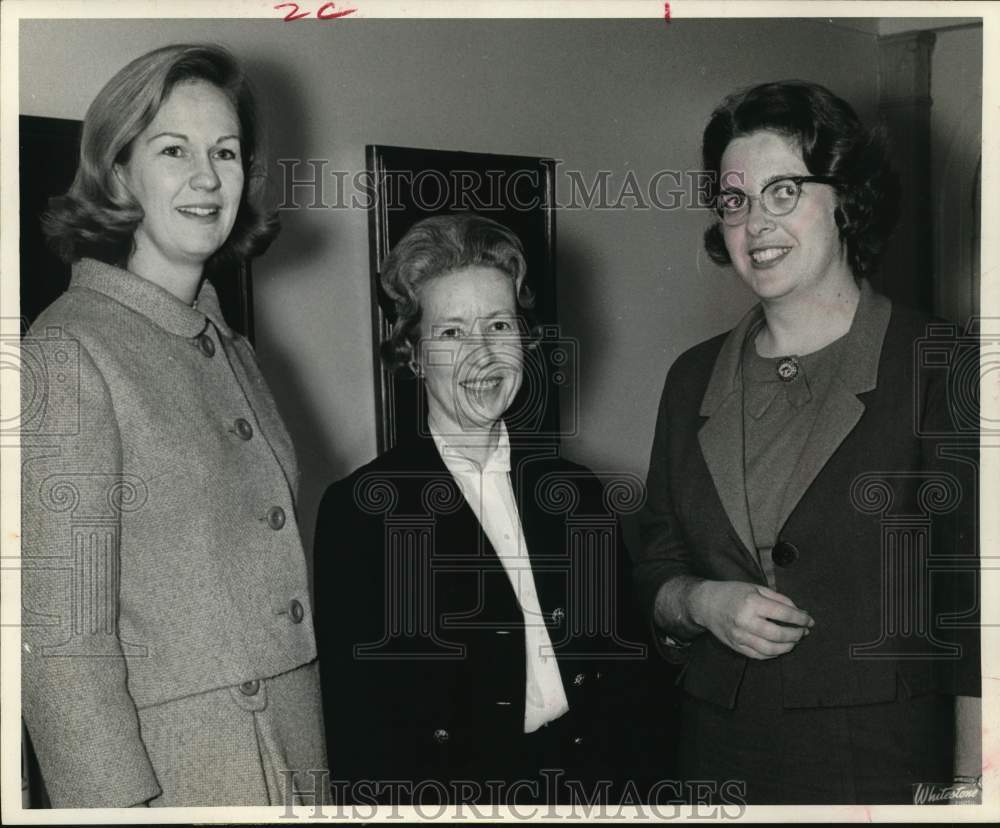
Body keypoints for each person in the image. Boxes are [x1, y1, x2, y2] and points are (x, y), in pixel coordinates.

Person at [634, 80, 980, 804]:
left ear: (845, 197)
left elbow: (976, 609)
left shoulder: (942, 366)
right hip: (716, 756)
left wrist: (972, 787)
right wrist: (698, 601)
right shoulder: (690, 378)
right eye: (735, 200)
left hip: (883, 765)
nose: (756, 222)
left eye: (783, 191)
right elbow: (656, 561)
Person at [20, 44, 327, 807]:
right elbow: (62, 644)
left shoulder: (231, 349)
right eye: (173, 151)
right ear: (119, 172)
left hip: (291, 756)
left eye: (224, 151)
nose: (207, 177)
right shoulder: (68, 350)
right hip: (179, 778)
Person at [314, 213, 646, 806]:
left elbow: (630, 683)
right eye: (451, 333)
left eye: (498, 324)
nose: (482, 355)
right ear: (414, 354)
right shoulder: (361, 513)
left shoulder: (578, 493)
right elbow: (359, 735)